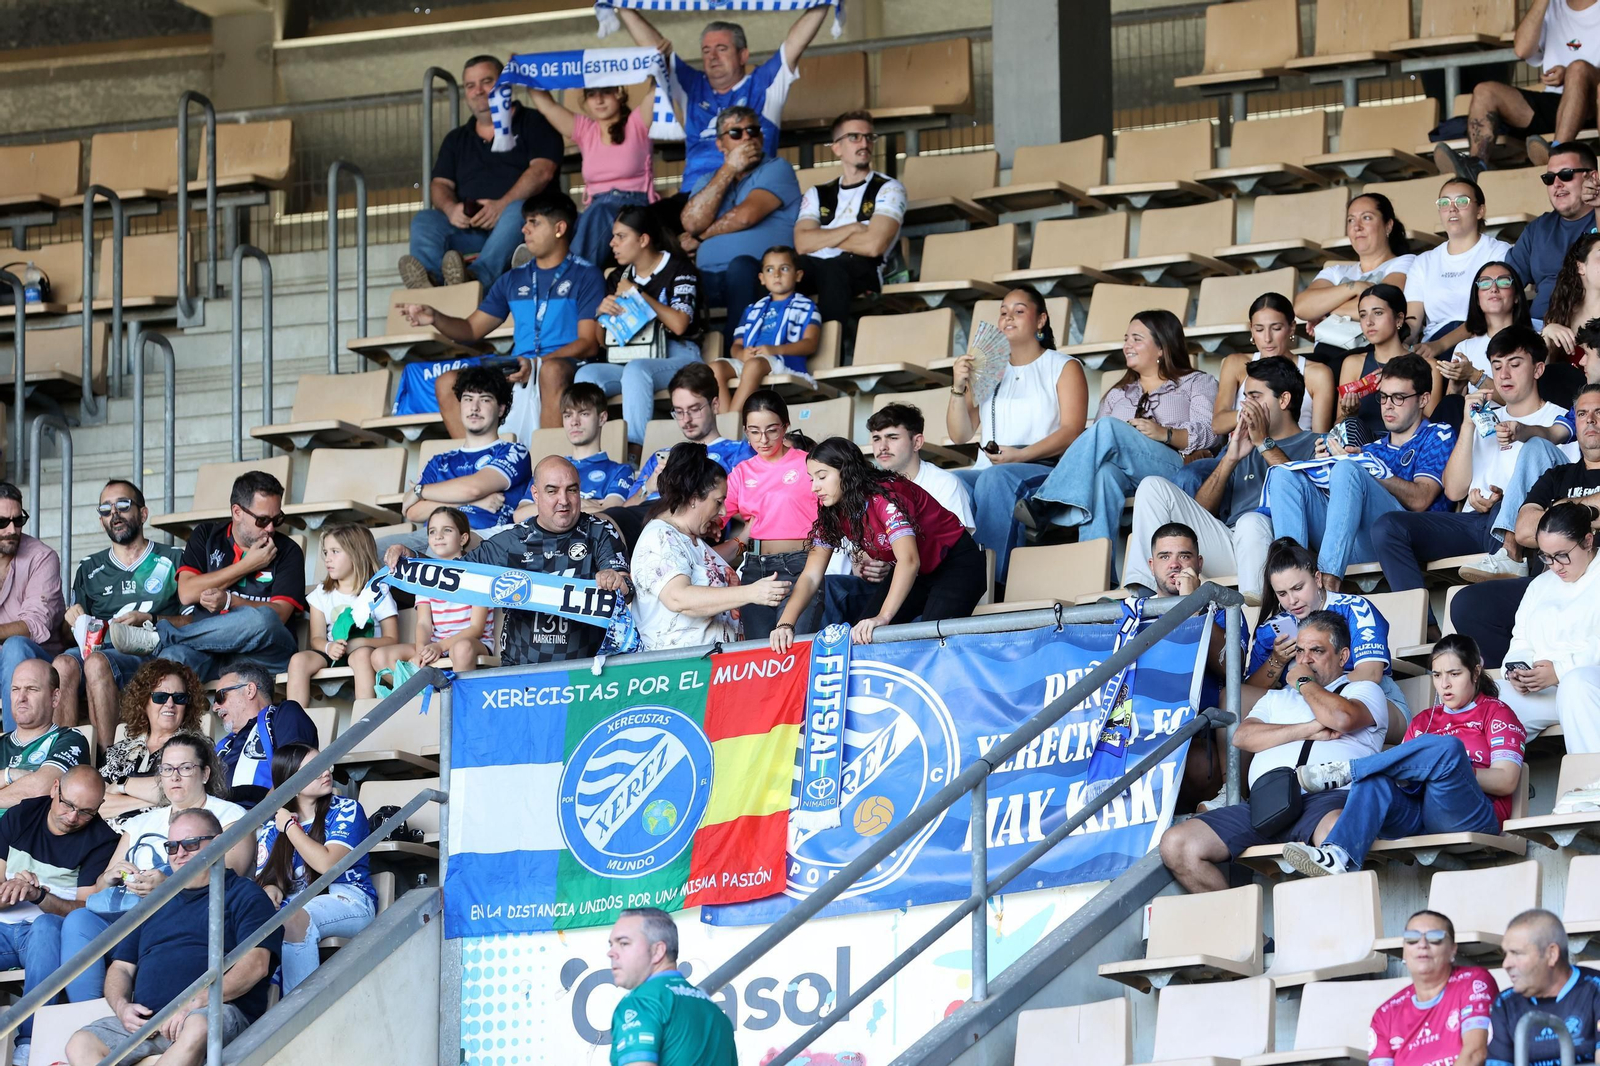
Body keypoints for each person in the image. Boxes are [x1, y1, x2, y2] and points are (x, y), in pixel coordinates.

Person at [1157, 610, 1388, 893]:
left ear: (1342, 656)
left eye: (1317, 651)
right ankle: (1245, 934)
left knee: (1335, 833)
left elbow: (1342, 718)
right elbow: (1242, 737)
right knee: (1177, 845)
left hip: (1327, 802)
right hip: (1266, 805)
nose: (1305, 660)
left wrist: (1305, 683)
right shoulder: (1276, 698)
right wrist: (1306, 729)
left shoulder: (1363, 690)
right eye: (1300, 651)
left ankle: (1339, 932)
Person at [1281, 635, 1524, 876]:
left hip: (1473, 815)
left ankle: (1348, 770)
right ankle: (1337, 855)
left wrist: (1454, 769)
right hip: (1421, 815)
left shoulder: (1496, 712)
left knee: (1448, 748)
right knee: (1375, 778)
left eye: (1455, 674)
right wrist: (1431, 766)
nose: (1445, 684)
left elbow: (1506, 781)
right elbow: (1403, 779)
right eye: (1437, 675)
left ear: (1476, 671)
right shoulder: (1423, 720)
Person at [65, 808, 281, 1066]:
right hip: (149, 1021)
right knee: (81, 1043)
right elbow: (121, 967)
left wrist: (196, 1002)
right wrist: (122, 1007)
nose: (179, 853)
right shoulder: (154, 902)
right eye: (171, 846)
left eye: (190, 844)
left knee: (199, 1025)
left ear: (220, 843)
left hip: (212, 1011)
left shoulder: (245, 895)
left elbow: (256, 965)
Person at [1375, 326, 1575, 591]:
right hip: (1472, 521)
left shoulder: (1558, 422)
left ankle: (1507, 560)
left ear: (1538, 369)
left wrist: (1504, 501)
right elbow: (1455, 490)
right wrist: (1468, 425)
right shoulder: (1483, 419)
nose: (1504, 374)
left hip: (1519, 526)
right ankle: (1425, 624)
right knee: (1388, 527)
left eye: (1515, 365)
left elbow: (1564, 490)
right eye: (1496, 365)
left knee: (1530, 456)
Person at [1023, 309, 1217, 581]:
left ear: (1162, 346)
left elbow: (1211, 432)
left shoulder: (1196, 382)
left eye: (1136, 339)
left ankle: (1047, 503)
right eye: (1126, 338)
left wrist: (1165, 434)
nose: (1127, 345)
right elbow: (1095, 449)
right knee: (1103, 477)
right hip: (1127, 474)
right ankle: (1095, 581)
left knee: (1108, 428)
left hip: (1176, 468)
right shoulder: (1118, 394)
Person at [60, 733, 252, 1005]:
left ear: (205, 773)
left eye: (185, 768)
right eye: (167, 769)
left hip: (181, 918)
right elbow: (101, 885)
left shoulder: (230, 817)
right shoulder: (141, 823)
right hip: (128, 913)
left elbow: (228, 875)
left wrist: (167, 886)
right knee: (79, 921)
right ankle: (89, 1010)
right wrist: (114, 875)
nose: (174, 777)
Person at [396, 195, 607, 440]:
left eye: (534, 222)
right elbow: (471, 330)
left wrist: (538, 363)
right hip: (519, 365)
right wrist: (435, 317)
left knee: (551, 371)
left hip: (563, 364)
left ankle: (548, 462)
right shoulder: (513, 278)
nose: (524, 229)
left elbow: (588, 342)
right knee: (447, 382)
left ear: (559, 228)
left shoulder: (586, 275)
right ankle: (472, 462)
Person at [397, 457, 631, 667]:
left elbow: (627, 588)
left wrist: (616, 581)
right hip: (519, 674)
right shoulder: (511, 541)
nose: (564, 500)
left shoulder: (600, 531)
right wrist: (411, 558)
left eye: (572, 490)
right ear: (535, 495)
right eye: (552, 491)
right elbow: (453, 574)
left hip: (587, 672)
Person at [1125, 357, 1318, 602]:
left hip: (1276, 550)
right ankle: (1142, 594)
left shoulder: (1314, 443)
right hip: (1230, 546)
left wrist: (1263, 443)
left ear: (1284, 400)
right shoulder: (1242, 443)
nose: (1246, 406)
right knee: (1152, 486)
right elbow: (1201, 513)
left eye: (1256, 397)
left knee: (1251, 521)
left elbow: (1301, 491)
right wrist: (1230, 459)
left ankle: (1254, 614)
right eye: (1245, 397)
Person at [770, 437, 985, 651]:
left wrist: (883, 617)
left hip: (956, 563)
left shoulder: (884, 496)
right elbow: (810, 576)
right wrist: (785, 624)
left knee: (933, 638)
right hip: (919, 572)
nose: (814, 488)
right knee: (863, 637)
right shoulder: (832, 510)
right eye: (811, 479)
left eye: (822, 477)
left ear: (846, 472)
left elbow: (909, 561)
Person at [1267, 353, 1456, 586]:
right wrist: (1323, 466)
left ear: (1423, 399)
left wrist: (1366, 467)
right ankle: (1292, 583)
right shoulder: (1370, 449)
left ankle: (1328, 583)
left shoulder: (1438, 433)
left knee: (1348, 468)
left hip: (1405, 543)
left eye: (1398, 398)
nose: (1387, 405)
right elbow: (1342, 509)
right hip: (1353, 543)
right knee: (1284, 475)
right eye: (1384, 397)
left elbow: (1421, 499)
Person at [947, 285, 1088, 585]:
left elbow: (1072, 430)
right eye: (1003, 312)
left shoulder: (1063, 366)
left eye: (1019, 311)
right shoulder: (989, 369)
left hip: (1047, 466)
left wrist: (1021, 455)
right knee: (951, 481)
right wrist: (959, 387)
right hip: (993, 466)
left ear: (1040, 321)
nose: (1008, 317)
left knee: (995, 480)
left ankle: (988, 584)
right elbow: (960, 433)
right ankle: (949, 578)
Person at [1452, 385, 1600, 664]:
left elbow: (1539, 524)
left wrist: (1558, 509)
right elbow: (1524, 530)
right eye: (1582, 413)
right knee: (1467, 605)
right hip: (1549, 580)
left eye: (1598, 412)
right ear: (1576, 423)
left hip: (1595, 582)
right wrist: (1588, 512)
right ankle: (1517, 681)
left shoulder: (1557, 490)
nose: (1590, 419)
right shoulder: (1557, 475)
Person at [110, 471, 304, 681]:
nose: (271, 528)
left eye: (278, 519)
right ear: (237, 512)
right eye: (263, 520)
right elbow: (187, 593)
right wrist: (247, 565)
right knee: (169, 661)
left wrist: (229, 601)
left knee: (264, 618)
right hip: (207, 652)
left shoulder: (288, 550)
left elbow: (279, 615)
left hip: (264, 653)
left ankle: (162, 637)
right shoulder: (206, 536)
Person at [612, 8, 829, 195]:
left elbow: (795, 42)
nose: (712, 56)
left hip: (749, 192)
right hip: (693, 195)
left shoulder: (764, 84)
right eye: (706, 51)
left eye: (721, 49)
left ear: (743, 55)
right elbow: (656, 48)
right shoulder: (692, 85)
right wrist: (621, 6)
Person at [399, 54, 562, 290]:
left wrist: (501, 206)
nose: (478, 91)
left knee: (519, 209)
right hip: (469, 231)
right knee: (426, 219)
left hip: (521, 228)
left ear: (505, 85)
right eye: (470, 85)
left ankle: (476, 278)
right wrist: (451, 209)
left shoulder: (534, 122)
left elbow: (543, 170)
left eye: (487, 81)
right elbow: (439, 185)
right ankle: (430, 283)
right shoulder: (456, 139)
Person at [47, 479, 183, 750]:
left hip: (149, 651)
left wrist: (149, 619)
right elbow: (69, 637)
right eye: (105, 509)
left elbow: (194, 623)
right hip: (97, 650)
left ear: (143, 514)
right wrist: (71, 618)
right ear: (101, 521)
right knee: (62, 664)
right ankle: (64, 760)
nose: (114, 514)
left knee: (97, 663)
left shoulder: (174, 558)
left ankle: (107, 763)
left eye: (123, 505)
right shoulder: (89, 567)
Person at [0, 767, 116, 1060]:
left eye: (86, 812)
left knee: (47, 925)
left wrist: (39, 896)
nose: (73, 817)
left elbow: (82, 913)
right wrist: (13, 890)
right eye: (68, 804)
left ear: (99, 808)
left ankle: (29, 1043)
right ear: (55, 789)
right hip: (3, 927)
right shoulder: (20, 816)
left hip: (44, 937)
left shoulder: (101, 840)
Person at [632, 443, 790, 651]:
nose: (724, 511)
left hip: (713, 666)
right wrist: (752, 593)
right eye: (718, 502)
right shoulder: (659, 537)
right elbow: (678, 597)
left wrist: (746, 536)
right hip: (681, 670)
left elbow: (708, 562)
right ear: (694, 498)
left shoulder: (689, 538)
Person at [574, 206, 704, 452]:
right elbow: (602, 341)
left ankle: (635, 453)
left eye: (621, 236)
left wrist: (638, 295)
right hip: (628, 355)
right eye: (613, 236)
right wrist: (601, 315)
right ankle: (589, 452)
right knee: (586, 376)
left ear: (643, 240)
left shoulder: (679, 268)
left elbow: (679, 324)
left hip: (680, 354)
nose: (612, 243)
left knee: (636, 370)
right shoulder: (616, 277)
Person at [255, 743, 376, 994]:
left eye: (325, 763)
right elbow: (267, 877)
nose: (325, 772)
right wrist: (271, 888)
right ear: (290, 781)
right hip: (295, 903)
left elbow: (326, 863)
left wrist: (289, 826)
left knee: (292, 919)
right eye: (313, 769)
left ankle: (299, 1014)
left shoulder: (346, 809)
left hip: (347, 898)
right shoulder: (271, 829)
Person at [1247, 537, 1410, 722]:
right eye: (1282, 594)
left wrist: (1310, 692)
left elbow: (1370, 674)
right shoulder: (1272, 629)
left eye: (1298, 588)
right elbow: (1249, 692)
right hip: (1300, 702)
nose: (1292, 601)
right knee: (1232, 698)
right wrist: (1276, 661)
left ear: (1317, 579)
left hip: (1363, 698)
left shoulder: (1356, 608)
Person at [678, 105, 803, 341]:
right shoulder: (709, 180)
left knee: (741, 266)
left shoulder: (777, 168)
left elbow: (746, 216)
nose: (747, 137)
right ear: (720, 144)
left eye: (753, 131)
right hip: (707, 277)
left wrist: (701, 238)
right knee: (678, 275)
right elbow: (692, 222)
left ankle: (735, 351)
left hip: (760, 277)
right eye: (736, 133)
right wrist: (729, 169)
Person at [601, 363, 755, 549]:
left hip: (695, 517)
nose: (686, 420)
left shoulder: (740, 452)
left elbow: (753, 505)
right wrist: (648, 488)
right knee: (604, 522)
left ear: (714, 405)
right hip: (647, 512)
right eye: (679, 412)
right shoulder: (663, 456)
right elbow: (626, 509)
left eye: (694, 409)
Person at [1439, 0, 1600, 177]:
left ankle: (1557, 155)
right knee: (1485, 91)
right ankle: (1476, 166)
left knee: (1578, 69)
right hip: (1556, 102)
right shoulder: (1552, 5)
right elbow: (1522, 50)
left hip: (1593, 102)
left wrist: (1570, 73)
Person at [387, 366, 532, 554]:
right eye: (468, 399)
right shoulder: (439, 461)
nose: (474, 407)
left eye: (485, 400)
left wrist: (420, 490)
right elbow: (413, 512)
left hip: (483, 539)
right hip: (432, 537)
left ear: (501, 409)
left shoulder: (514, 451)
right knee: (361, 549)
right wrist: (472, 503)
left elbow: (473, 488)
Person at [1496, 500, 1600, 746]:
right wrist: (1517, 671)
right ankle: (1484, 779)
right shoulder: (1539, 585)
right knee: (1491, 696)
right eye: (1546, 557)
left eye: (1562, 555)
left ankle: (1590, 782)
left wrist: (1559, 671)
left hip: (1588, 683)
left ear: (1587, 541)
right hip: (1548, 689)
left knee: (1575, 686)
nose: (1554, 566)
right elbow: (1520, 640)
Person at [721, 391, 821, 639]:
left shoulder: (808, 463)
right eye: (754, 431)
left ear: (786, 426)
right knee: (758, 655)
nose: (763, 439)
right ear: (745, 431)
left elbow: (840, 508)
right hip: (755, 570)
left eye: (772, 430)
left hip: (800, 565)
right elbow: (712, 517)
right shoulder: (742, 472)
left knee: (794, 649)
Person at [525, 83, 656, 268]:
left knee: (598, 212)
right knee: (557, 219)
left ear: (619, 93)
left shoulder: (636, 123)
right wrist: (524, 75)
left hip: (632, 205)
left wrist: (662, 64)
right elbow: (548, 106)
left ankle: (569, 276)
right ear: (585, 101)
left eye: (606, 93)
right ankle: (537, 267)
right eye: (592, 94)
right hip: (595, 206)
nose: (599, 100)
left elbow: (655, 92)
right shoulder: (586, 130)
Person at [793, 110, 907, 322]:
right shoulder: (818, 193)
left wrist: (822, 237)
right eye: (854, 137)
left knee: (833, 269)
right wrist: (853, 228)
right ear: (837, 147)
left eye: (869, 137)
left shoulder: (889, 188)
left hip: (862, 268)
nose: (863, 143)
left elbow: (874, 245)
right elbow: (802, 243)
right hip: (816, 266)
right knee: (778, 269)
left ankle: (832, 352)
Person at [1293, 193, 1415, 371]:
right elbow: (1301, 307)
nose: (1357, 227)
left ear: (1388, 225)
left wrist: (1324, 311)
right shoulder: (1335, 271)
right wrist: (1355, 288)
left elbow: (1382, 305)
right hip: (1325, 351)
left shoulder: (1405, 263)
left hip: (1368, 355)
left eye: (1366, 218)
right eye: (1351, 220)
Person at [606, 907, 737, 1066]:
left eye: (624, 943)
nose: (611, 953)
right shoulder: (716, 1013)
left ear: (658, 951)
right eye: (611, 944)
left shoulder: (641, 1002)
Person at [373, 508, 494, 678]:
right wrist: (422, 649)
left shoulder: (478, 574)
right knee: (380, 656)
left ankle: (460, 701)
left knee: (461, 648)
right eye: (432, 531)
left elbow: (476, 628)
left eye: (447, 530)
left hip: (472, 643)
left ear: (463, 538)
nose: (438, 536)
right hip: (436, 645)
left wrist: (441, 647)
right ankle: (425, 694)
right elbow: (423, 623)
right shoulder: (425, 576)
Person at [1365, 911, 1498, 1066]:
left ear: (1453, 949)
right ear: (1404, 952)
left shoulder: (1473, 982)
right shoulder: (1385, 1014)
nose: (1422, 945)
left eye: (1435, 938)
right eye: (1412, 939)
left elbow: (1475, 1053)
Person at [285, 525, 398, 706]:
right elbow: (316, 639)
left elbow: (392, 639)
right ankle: (293, 723)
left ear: (356, 554)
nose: (328, 559)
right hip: (332, 651)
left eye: (335, 552)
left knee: (360, 656)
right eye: (325, 552)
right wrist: (329, 647)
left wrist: (360, 643)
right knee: (298, 660)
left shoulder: (378, 591)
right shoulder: (321, 594)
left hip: (365, 652)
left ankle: (365, 718)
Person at [1406, 179, 1513, 357]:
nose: (1452, 208)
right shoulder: (1423, 261)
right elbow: (1413, 322)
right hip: (1433, 345)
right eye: (1444, 203)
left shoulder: (1497, 252)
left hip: (1483, 339)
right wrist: (1400, 342)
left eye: (1462, 201)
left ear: (1480, 211)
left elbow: (1490, 314)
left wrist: (1440, 345)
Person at [97, 659, 210, 825]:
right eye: (161, 697)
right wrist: (156, 800)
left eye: (179, 698)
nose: (170, 704)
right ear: (144, 702)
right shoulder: (119, 751)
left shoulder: (196, 746)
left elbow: (186, 790)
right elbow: (96, 804)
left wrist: (122, 784)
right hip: (108, 840)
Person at [712, 245, 820, 412]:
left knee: (754, 365)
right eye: (770, 270)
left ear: (798, 275)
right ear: (762, 278)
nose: (776, 274)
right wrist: (741, 353)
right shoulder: (752, 309)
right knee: (715, 368)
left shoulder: (806, 306)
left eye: (784, 268)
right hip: (751, 361)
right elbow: (737, 344)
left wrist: (774, 349)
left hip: (783, 362)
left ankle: (734, 420)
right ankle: (725, 422)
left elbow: (810, 343)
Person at [1486, 909, 1600, 1066]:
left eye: (1517, 953)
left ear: (1551, 954)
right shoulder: (1505, 1003)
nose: (1506, 964)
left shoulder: (1596, 988)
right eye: (1505, 954)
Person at [1212, 292, 1335, 436]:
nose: (1267, 338)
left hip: (1294, 454)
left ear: (1292, 328)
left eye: (1276, 328)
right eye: (1259, 329)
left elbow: (1319, 440)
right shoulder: (1235, 364)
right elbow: (1217, 424)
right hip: (1240, 455)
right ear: (1251, 329)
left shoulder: (1318, 373)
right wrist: (1253, 413)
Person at [1337, 284, 1445, 443]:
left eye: (1378, 313)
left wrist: (1396, 388)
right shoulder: (1352, 363)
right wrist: (1349, 414)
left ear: (1399, 319)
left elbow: (1432, 428)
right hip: (1361, 449)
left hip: (1408, 448)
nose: (1369, 322)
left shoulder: (1428, 367)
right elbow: (1337, 428)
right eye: (1363, 315)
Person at [510, 384, 635, 521]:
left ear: (602, 418)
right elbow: (520, 515)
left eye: (584, 414)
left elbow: (609, 514)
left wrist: (547, 505)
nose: (574, 422)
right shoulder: (549, 469)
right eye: (568, 415)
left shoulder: (621, 471)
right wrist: (583, 503)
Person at [1506, 144, 1600, 324]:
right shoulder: (1537, 229)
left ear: (1592, 177)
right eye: (1549, 178)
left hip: (1590, 328)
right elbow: (1507, 281)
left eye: (1566, 174)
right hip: (1538, 330)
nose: (1557, 184)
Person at [0, 481, 64, 735]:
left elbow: (35, 625)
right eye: (2, 522)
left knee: (15, 646)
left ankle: (12, 750)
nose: (12, 529)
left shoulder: (42, 557)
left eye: (18, 520)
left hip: (37, 661)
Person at [212, 661, 318, 809]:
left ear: (250, 690)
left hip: (259, 818)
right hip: (218, 819)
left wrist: (261, 817)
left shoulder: (283, 714)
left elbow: (294, 770)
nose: (215, 706)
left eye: (220, 696)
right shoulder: (225, 745)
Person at [1439, 261, 1532, 417]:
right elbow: (1451, 409)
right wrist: (1456, 386)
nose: (1494, 289)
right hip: (1476, 427)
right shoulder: (1464, 348)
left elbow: (1525, 400)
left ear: (1516, 296)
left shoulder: (1533, 338)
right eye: (1485, 283)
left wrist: (1474, 375)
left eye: (1503, 282)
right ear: (1477, 299)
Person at [867, 403, 974, 530]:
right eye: (876, 439)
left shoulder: (945, 484)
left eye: (893, 437)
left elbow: (961, 545)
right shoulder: (869, 488)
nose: (882, 447)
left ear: (917, 442)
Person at [0, 660, 89, 813]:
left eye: (32, 689)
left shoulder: (70, 739)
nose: (21, 697)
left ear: (55, 698)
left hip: (27, 834)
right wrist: (11, 774)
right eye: (15, 689)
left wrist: (5, 778)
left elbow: (41, 789)